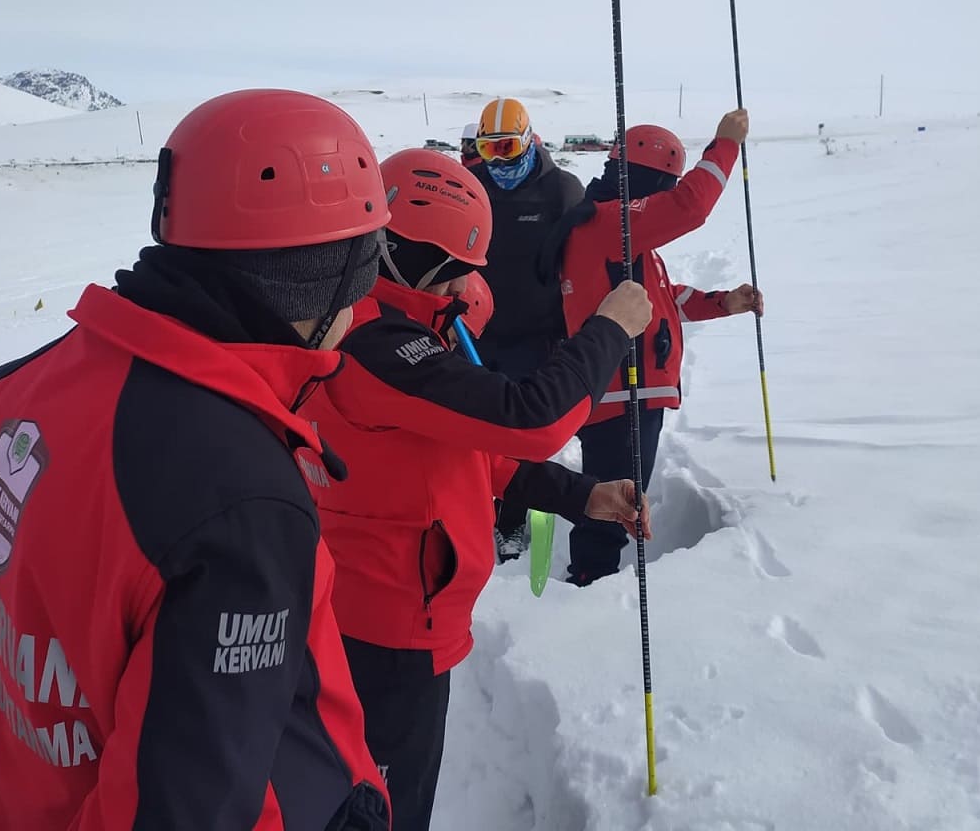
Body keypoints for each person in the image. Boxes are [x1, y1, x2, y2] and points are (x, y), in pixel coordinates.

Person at [0, 90, 392, 831]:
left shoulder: (15, 391)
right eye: (361, 283)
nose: (360, 315)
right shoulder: (239, 500)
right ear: (319, 282)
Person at [298, 148, 653, 831]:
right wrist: (610, 327)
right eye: (457, 271)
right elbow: (532, 415)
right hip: (390, 630)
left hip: (385, 611)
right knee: (384, 808)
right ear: (413, 255)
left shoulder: (382, 327)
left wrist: (581, 496)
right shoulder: (380, 346)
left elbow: (470, 454)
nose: (464, 288)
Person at [539, 110, 763, 586]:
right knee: (614, 503)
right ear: (646, 180)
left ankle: (590, 581)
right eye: (664, 186)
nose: (665, 199)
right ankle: (588, 589)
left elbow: (665, 300)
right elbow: (690, 207)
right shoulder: (606, 225)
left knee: (616, 497)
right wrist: (725, 144)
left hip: (630, 399)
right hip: (623, 397)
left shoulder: (622, 240)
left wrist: (726, 302)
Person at [468, 96, 587, 560]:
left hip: (535, 333)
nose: (497, 160)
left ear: (528, 139)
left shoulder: (560, 190)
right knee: (473, 428)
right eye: (487, 147)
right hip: (475, 330)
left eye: (506, 148)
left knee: (521, 433)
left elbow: (587, 256)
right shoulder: (474, 183)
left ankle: (514, 520)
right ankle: (477, 506)